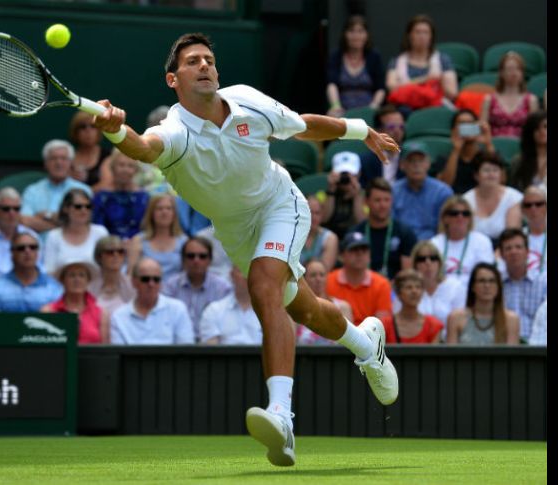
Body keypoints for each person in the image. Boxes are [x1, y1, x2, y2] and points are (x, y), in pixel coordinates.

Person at [91, 32, 400, 467]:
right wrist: (114, 129)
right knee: (306, 311)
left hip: (281, 205)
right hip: (237, 232)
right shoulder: (174, 131)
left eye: (209, 60)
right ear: (172, 79)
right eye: (193, 61)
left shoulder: (248, 102)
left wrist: (361, 130)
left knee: (262, 284)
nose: (204, 66)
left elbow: (302, 124)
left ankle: (281, 415)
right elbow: (142, 148)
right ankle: (365, 343)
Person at [109, 258, 195, 345]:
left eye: (156, 279)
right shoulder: (119, 316)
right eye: (145, 279)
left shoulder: (177, 309)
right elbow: (118, 353)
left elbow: (186, 349)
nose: (151, 284)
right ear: (134, 282)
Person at [162, 236, 232, 341]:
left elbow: (226, 324)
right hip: (176, 345)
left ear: (210, 260)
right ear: (183, 259)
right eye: (191, 256)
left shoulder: (222, 288)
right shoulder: (171, 286)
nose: (196, 260)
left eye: (202, 256)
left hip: (212, 346)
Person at [385, 14, 457, 113]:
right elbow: (392, 88)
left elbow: (452, 93)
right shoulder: (396, 61)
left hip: (435, 106)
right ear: (410, 35)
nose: (422, 36)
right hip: (405, 108)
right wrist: (426, 79)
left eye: (426, 32)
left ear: (431, 36)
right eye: (417, 32)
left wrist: (441, 81)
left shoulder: (443, 60)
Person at [392, 241, 465, 339]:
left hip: (448, 345)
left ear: (439, 262)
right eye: (422, 259)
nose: (428, 262)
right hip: (416, 344)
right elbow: (397, 321)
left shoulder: (455, 287)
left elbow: (460, 323)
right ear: (415, 264)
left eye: (433, 258)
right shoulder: (405, 289)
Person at [21, 139, 93, 235]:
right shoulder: (32, 191)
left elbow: (83, 223)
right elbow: (24, 221)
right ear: (45, 163)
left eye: (63, 158)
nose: (58, 163)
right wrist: (63, 225)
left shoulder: (84, 190)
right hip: (37, 247)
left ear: (71, 163)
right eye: (53, 158)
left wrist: (47, 215)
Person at [352, 177, 417, 279]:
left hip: (395, 290)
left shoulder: (405, 233)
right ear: (366, 202)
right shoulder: (356, 234)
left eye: (387, 200)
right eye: (377, 200)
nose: (383, 205)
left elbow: (407, 275)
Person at [326, 232, 393, 325]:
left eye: (364, 249)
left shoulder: (382, 284)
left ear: (369, 255)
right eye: (354, 249)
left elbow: (381, 324)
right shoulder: (328, 281)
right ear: (341, 256)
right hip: (335, 334)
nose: (360, 253)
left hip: (369, 337)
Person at [0, 232, 63, 312]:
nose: (27, 251)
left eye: (33, 247)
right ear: (12, 253)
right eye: (21, 248)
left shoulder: (54, 288)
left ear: (38, 253)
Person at [391, 140, 453, 241]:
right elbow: (390, 229)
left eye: (421, 160)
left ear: (428, 163)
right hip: (401, 247)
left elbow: (446, 229)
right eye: (411, 161)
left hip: (434, 248)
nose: (416, 165)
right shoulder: (393, 191)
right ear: (402, 165)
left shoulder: (442, 192)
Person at [325, 15, 385, 116]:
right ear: (345, 34)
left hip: (369, 110)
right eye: (351, 31)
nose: (356, 36)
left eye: (360, 31)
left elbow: (380, 88)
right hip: (343, 110)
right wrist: (336, 106)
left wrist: (374, 106)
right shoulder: (336, 56)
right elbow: (332, 84)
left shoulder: (374, 56)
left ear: (366, 35)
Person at [430, 196, 495, 288]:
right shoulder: (434, 244)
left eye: (465, 214)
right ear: (445, 218)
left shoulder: (482, 241)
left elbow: (486, 274)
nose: (460, 217)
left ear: (470, 218)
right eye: (454, 213)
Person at [446, 262, 520, 344]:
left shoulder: (511, 319)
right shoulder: (456, 318)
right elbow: (450, 355)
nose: (487, 285)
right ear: (473, 287)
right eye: (482, 281)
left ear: (498, 287)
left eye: (492, 281)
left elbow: (511, 355)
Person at [43, 188, 109, 275]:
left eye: (88, 206)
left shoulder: (100, 233)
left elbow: (108, 266)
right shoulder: (54, 236)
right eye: (78, 207)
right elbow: (49, 270)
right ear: (66, 208)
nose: (84, 210)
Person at [463, 152, 523, 247]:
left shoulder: (513, 197)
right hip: (474, 248)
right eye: (486, 170)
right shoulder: (466, 200)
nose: (491, 174)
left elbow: (512, 236)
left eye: (495, 170)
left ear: (501, 174)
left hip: (505, 250)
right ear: (476, 175)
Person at [42, 259, 109, 344]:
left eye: (82, 275)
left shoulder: (101, 313)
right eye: (71, 275)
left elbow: (106, 349)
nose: (77, 279)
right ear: (62, 280)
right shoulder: (49, 311)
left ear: (88, 280)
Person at [497, 228, 546, 343]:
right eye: (508, 248)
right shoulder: (495, 283)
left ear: (527, 252)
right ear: (502, 255)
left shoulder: (543, 282)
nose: (513, 252)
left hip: (538, 346)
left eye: (518, 247)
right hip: (503, 346)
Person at [433, 109, 496, 194]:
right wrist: (456, 150)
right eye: (462, 124)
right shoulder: (444, 158)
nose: (467, 127)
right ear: (453, 130)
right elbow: (444, 186)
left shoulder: (487, 155)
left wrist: (488, 144)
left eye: (470, 123)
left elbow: (501, 181)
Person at [91, 149, 150, 239]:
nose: (125, 170)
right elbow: (97, 228)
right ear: (113, 168)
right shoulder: (101, 197)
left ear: (136, 170)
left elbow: (147, 229)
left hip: (138, 245)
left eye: (130, 166)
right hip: (108, 246)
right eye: (121, 165)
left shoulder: (144, 197)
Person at [127, 193, 188, 280]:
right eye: (159, 209)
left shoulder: (184, 241)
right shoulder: (138, 240)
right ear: (151, 213)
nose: (164, 212)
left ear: (174, 214)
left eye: (169, 208)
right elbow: (130, 274)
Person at [480, 52, 539, 138]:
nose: (514, 73)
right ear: (501, 72)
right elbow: (482, 130)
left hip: (522, 147)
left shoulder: (531, 100)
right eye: (510, 69)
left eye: (518, 69)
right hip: (494, 147)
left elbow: (534, 131)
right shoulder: (489, 99)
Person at [199, 266, 262, 345]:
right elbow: (210, 353)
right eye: (243, 270)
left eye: (251, 271)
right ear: (232, 275)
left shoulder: (268, 313)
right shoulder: (213, 310)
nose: (247, 275)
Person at [296, 259, 351, 345]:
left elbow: (349, 343)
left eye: (322, 275)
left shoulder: (343, 307)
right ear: (304, 279)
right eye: (313, 275)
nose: (318, 279)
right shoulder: (296, 308)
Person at [381, 269, 443, 344]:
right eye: (408, 287)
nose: (414, 291)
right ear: (398, 293)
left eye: (418, 287)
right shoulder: (384, 325)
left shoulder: (433, 325)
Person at [357, 105, 406, 187]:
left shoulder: (409, 157)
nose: (397, 131)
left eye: (401, 127)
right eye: (391, 127)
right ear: (378, 131)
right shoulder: (365, 161)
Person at [322, 151, 367, 240]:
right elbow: (323, 219)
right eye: (342, 174)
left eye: (350, 174)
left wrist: (357, 196)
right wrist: (331, 191)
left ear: (359, 173)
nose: (346, 178)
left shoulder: (365, 196)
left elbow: (362, 224)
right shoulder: (324, 194)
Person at [89, 235, 135, 316]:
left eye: (120, 252)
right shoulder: (88, 285)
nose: (116, 255)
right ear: (99, 257)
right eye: (110, 252)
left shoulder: (132, 285)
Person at [68, 111, 113, 192]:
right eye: (82, 127)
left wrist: (83, 194)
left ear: (99, 131)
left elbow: (106, 184)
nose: (88, 130)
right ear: (75, 132)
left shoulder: (107, 155)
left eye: (93, 126)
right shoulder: (68, 156)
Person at [300, 195, 339, 272]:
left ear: (322, 215)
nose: (313, 217)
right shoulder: (291, 237)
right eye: (310, 212)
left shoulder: (330, 238)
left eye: (317, 213)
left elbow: (323, 271)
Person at [510, 111, 547, 191]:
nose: (542, 131)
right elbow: (515, 191)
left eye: (545, 127)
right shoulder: (519, 161)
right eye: (536, 128)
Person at [520, 186, 547, 277]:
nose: (533, 208)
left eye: (538, 204)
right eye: (528, 205)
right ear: (522, 209)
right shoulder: (517, 237)